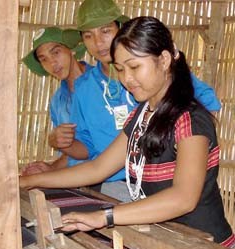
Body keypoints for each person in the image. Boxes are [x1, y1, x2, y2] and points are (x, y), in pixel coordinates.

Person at [20, 16, 235, 248]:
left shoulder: (190, 120)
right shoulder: (142, 116)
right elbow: (97, 168)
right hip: (168, 240)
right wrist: (28, 181)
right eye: (120, 69)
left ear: (163, 60)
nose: (126, 79)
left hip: (206, 247)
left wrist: (104, 216)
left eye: (134, 67)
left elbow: (183, 198)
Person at [57, 0, 221, 201]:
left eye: (105, 31)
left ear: (120, 29)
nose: (98, 42)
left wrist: (184, 152)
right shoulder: (89, 90)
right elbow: (93, 160)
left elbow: (205, 109)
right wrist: (63, 146)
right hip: (120, 186)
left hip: (158, 189)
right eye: (88, 35)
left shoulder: (178, 101)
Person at [21, 27, 93, 175]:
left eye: (56, 52)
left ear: (71, 49)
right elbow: (73, 153)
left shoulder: (101, 84)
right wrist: (51, 168)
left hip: (113, 180)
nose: (52, 63)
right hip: (79, 181)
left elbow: (105, 144)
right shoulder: (57, 102)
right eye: (44, 59)